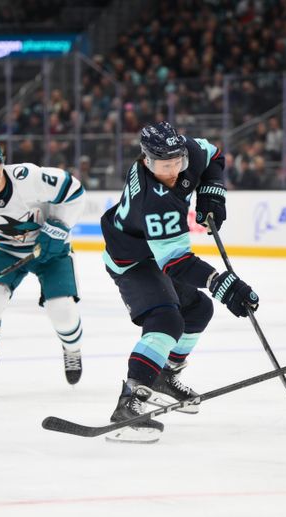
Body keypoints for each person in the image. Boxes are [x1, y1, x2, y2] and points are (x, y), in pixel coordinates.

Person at [100, 121, 259, 443]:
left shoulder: (188, 150)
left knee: (198, 310)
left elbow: (214, 156)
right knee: (165, 320)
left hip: (156, 251)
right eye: (163, 165)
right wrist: (221, 282)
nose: (172, 170)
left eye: (177, 162)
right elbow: (177, 264)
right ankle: (128, 403)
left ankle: (164, 377)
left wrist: (212, 194)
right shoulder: (154, 199)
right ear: (146, 160)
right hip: (131, 259)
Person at [0, 136, 87, 398]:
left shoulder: (27, 178)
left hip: (50, 250)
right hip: (7, 252)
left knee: (62, 311)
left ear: (1, 163)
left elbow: (74, 191)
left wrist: (58, 227)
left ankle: (72, 349)